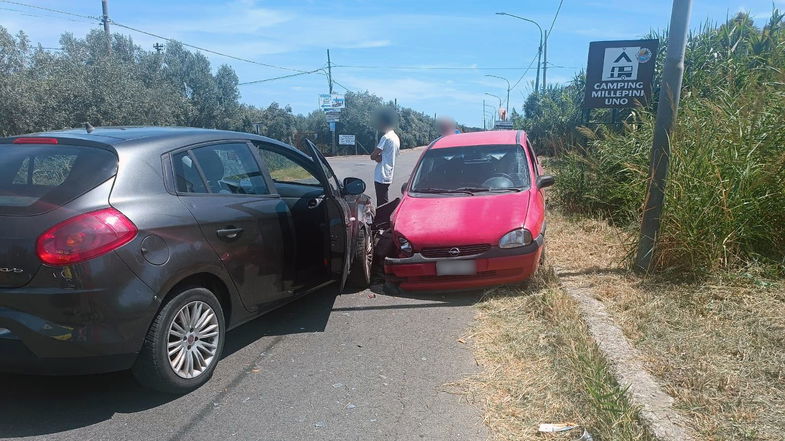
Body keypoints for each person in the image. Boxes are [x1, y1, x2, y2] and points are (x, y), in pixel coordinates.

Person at [370, 109, 400, 206]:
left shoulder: (386, 137)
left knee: (382, 203)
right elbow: (390, 154)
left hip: (381, 175)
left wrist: (377, 157)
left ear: (384, 123)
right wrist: (380, 157)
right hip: (389, 173)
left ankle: (385, 219)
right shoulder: (396, 138)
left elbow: (373, 155)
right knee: (384, 200)